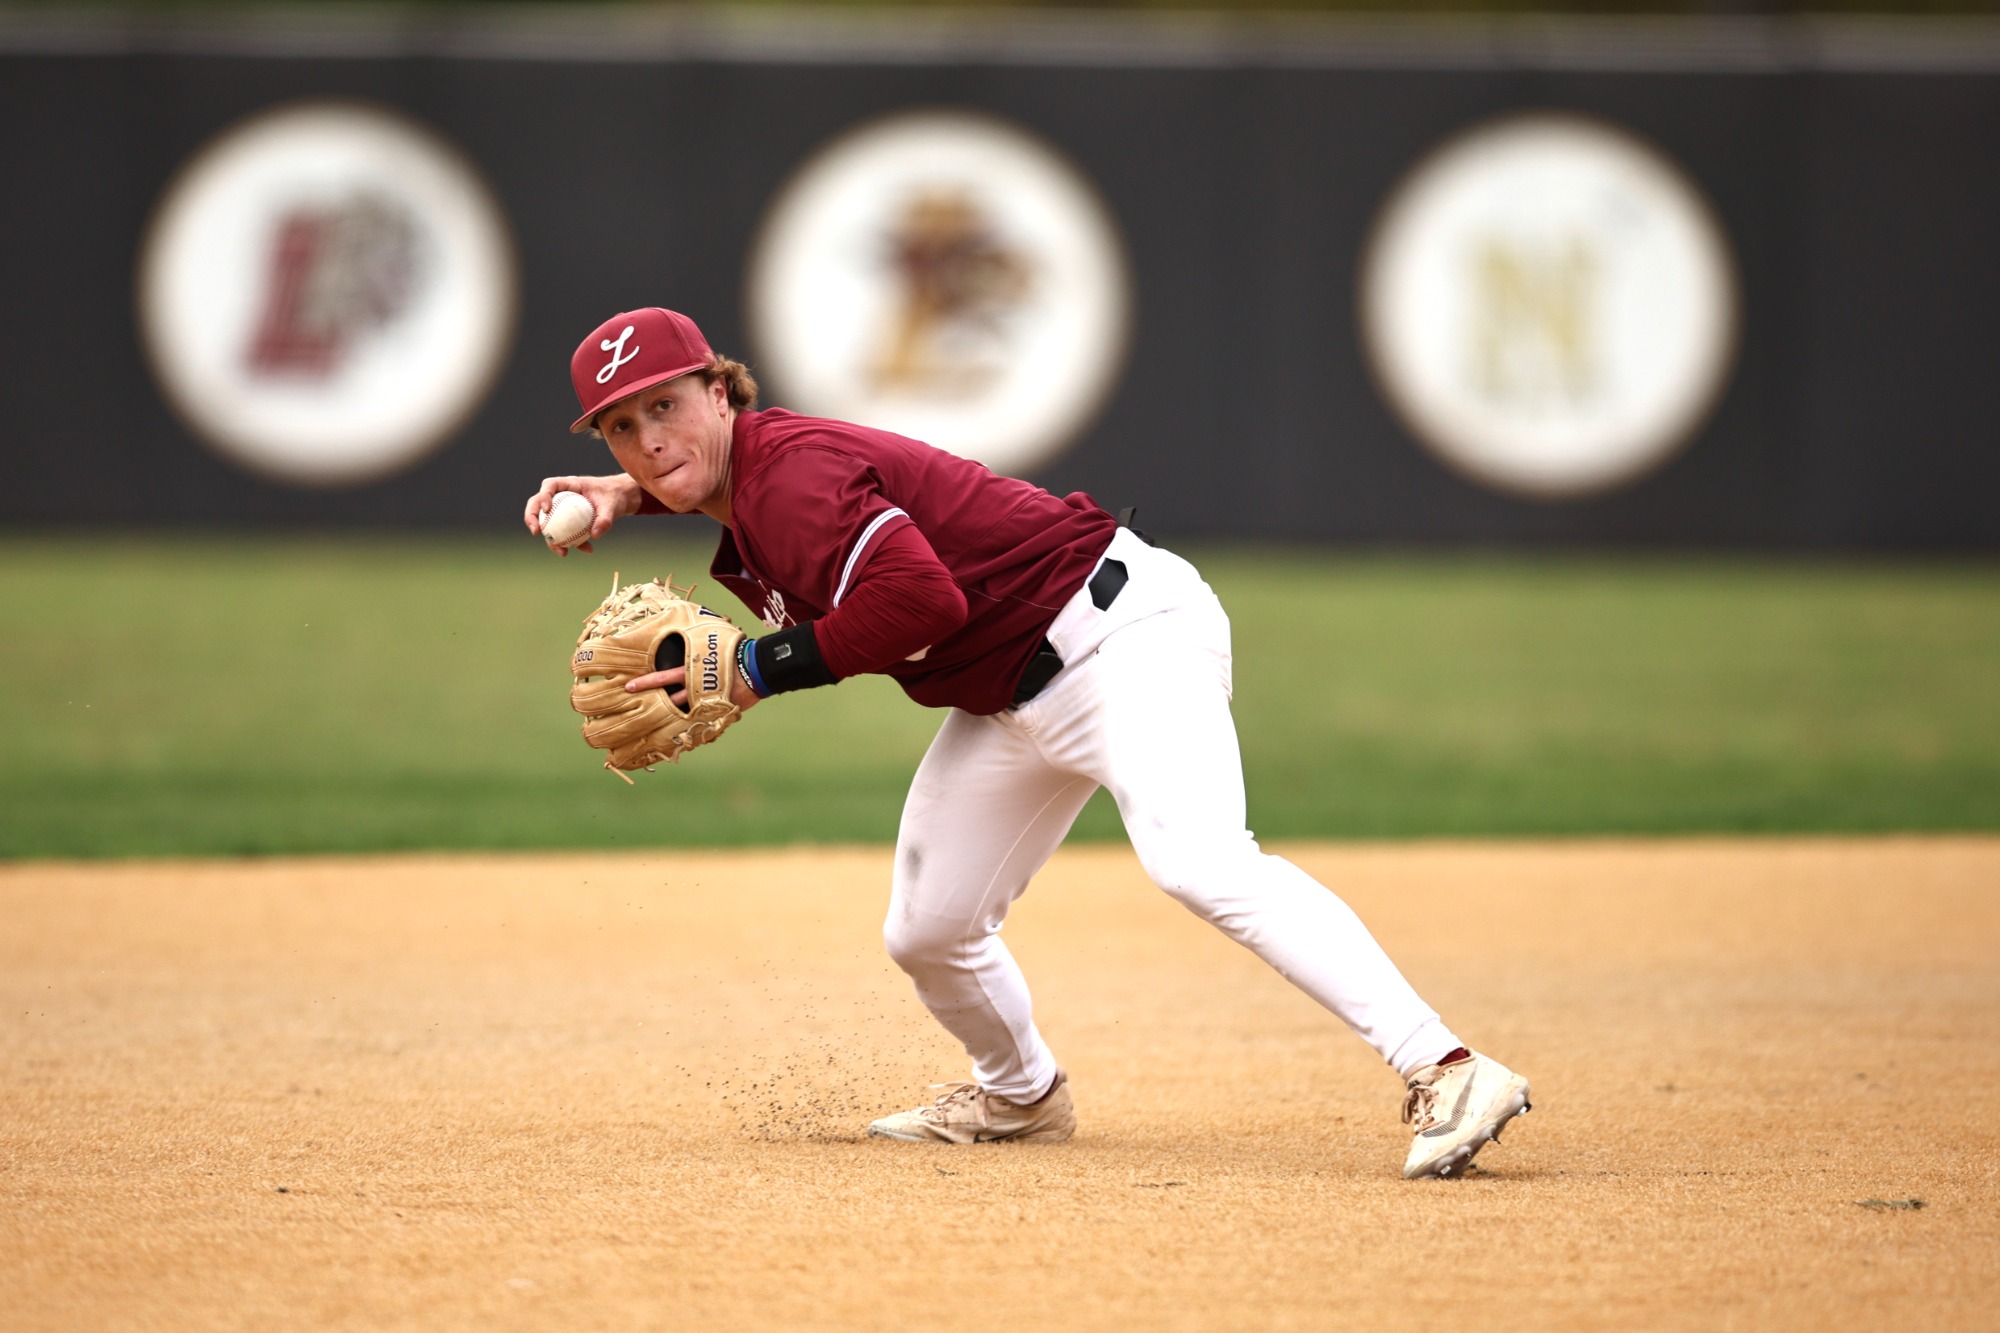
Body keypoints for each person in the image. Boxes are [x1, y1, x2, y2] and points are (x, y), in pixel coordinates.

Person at [524, 306, 1532, 1178]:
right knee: (929, 929)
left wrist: (756, 668)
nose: (649, 439)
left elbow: (921, 601)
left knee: (1197, 861)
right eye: (622, 427)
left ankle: (1445, 1066)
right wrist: (631, 494)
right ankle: (1020, 1095)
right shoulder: (751, 477)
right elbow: (725, 487)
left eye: (666, 405)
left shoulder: (789, 482)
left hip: (1120, 637)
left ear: (720, 391)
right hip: (1009, 691)